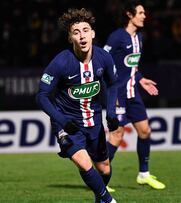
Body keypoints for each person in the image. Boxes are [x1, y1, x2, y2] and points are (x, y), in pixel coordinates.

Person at [36, 8, 119, 203]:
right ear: (70, 38)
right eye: (76, 32)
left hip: (94, 122)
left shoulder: (104, 58)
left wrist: (111, 113)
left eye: (85, 30)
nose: (82, 36)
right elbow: (41, 96)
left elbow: (113, 83)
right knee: (83, 162)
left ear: (93, 34)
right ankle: (109, 201)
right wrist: (62, 121)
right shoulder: (61, 62)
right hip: (68, 123)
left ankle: (100, 199)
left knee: (105, 169)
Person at [103, 0, 165, 190]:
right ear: (130, 15)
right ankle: (99, 177)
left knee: (145, 131)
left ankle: (143, 174)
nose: (144, 16)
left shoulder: (139, 38)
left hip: (133, 93)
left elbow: (132, 67)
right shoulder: (116, 38)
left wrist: (141, 79)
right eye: (140, 12)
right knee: (116, 135)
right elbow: (102, 61)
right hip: (118, 94)